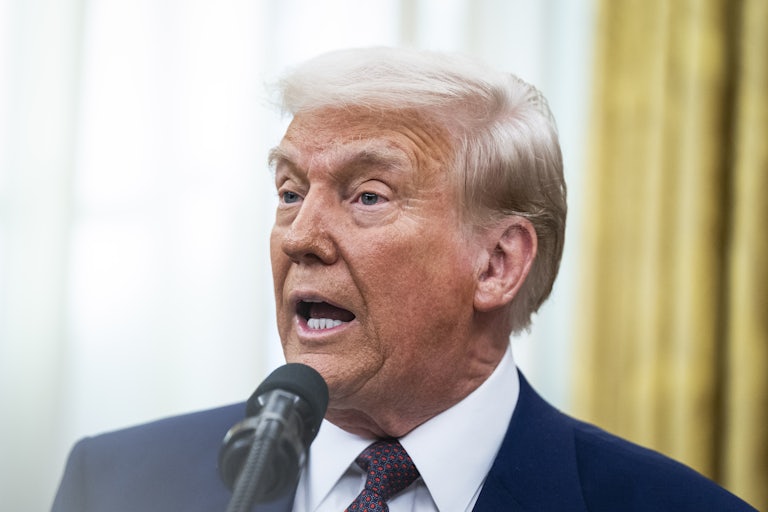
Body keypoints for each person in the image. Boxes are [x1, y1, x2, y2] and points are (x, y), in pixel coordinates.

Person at [51, 47, 757, 512]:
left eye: (368, 197)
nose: (299, 237)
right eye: (291, 191)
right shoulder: (117, 482)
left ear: (498, 263)